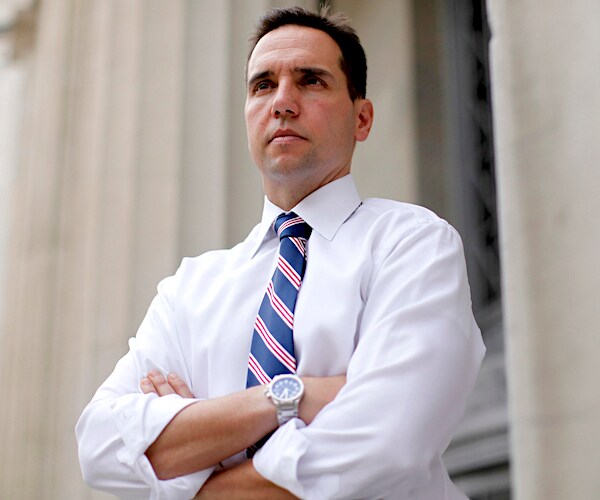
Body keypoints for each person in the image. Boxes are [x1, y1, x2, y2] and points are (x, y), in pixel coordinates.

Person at [76, 6, 485, 499]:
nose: (283, 103)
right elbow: (99, 447)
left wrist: (195, 462)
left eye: (311, 81)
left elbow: (384, 445)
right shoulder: (189, 290)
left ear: (361, 118)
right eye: (263, 85)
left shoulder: (411, 244)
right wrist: (289, 397)